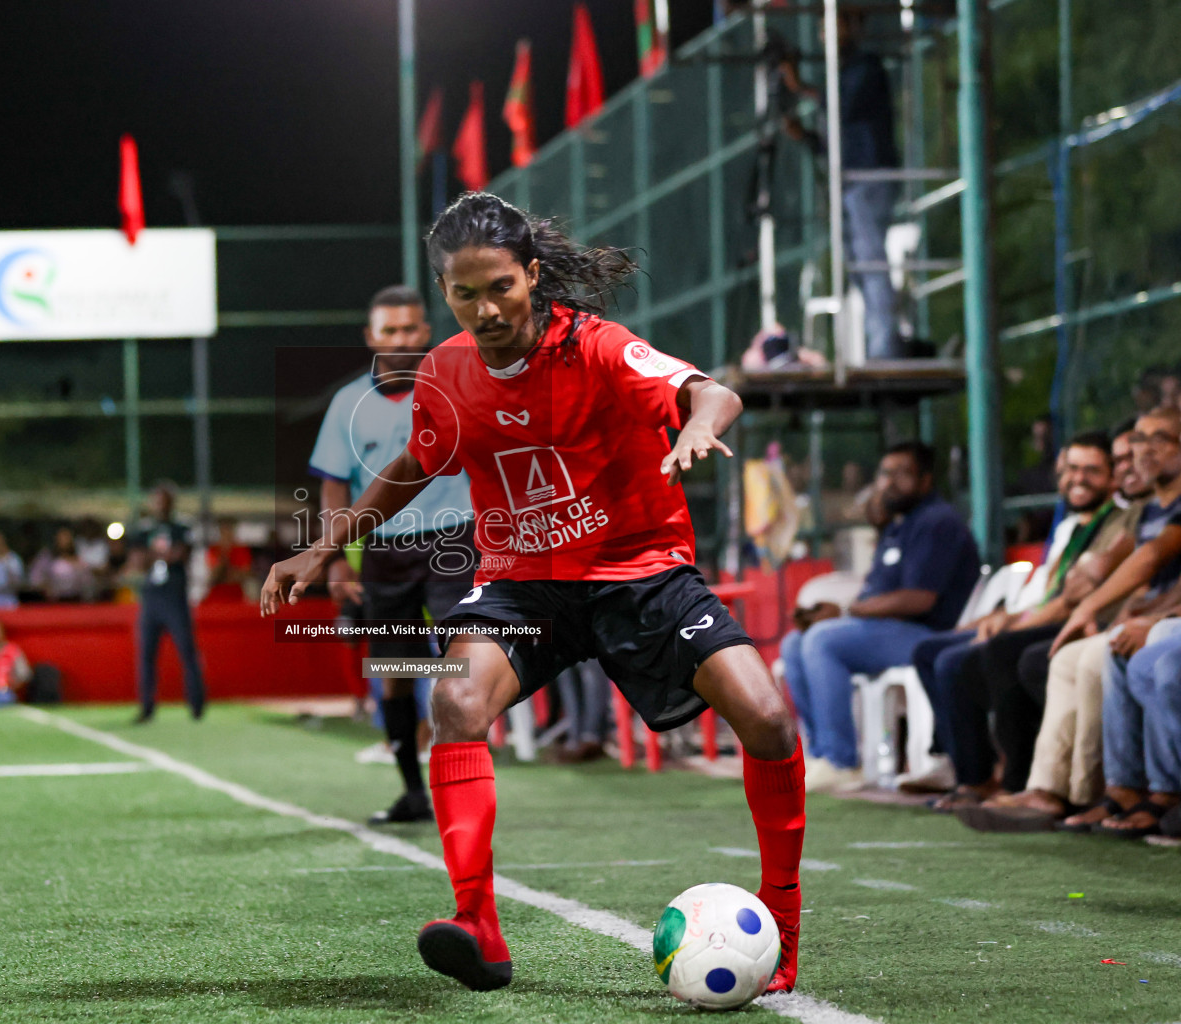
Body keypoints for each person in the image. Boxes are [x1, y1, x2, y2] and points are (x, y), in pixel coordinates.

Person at [262, 193, 806, 994]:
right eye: (464, 294)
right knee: (454, 699)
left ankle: (783, 930)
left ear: (534, 277)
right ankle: (477, 923)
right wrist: (323, 547)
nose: (485, 310)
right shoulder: (445, 371)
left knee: (765, 717)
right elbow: (417, 462)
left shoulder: (598, 349)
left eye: (501, 289)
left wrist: (696, 422)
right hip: (525, 586)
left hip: (640, 572)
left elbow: (711, 391)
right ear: (445, 293)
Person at [309, 284, 478, 825]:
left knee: (465, 664)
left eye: (410, 328)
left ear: (426, 331)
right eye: (390, 330)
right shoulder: (346, 405)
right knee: (396, 670)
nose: (401, 339)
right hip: (383, 550)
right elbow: (333, 485)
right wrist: (335, 559)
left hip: (458, 540)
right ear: (370, 337)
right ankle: (412, 791)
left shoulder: (458, 386)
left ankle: (464, 787)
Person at [911, 433, 1116, 811]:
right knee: (930, 651)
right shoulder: (1069, 526)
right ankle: (970, 773)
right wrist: (1002, 617)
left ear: (1113, 477)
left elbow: (1071, 602)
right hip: (1035, 615)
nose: (1079, 478)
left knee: (979, 657)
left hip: (1076, 622)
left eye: (1092, 470)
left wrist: (1014, 626)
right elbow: (1045, 593)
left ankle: (1009, 779)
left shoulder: (1113, 526)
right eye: (1072, 468)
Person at [780, 442, 980, 793]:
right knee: (794, 642)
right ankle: (820, 753)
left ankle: (843, 763)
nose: (889, 482)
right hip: (883, 630)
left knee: (822, 640)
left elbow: (919, 599)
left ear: (925, 479)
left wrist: (843, 611)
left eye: (902, 474)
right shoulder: (899, 522)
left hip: (929, 635)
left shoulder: (937, 522)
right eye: (885, 473)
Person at [1046, 407, 1181, 833]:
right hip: (1161, 617)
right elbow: (1120, 563)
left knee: (1141, 651)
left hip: (1167, 621)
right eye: (1139, 438)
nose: (1145, 449)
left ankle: (1161, 791)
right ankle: (1120, 788)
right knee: (1101, 649)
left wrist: (1100, 610)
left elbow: (1153, 558)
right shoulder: (1145, 511)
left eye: (1161, 438)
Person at [780, 10, 901, 359]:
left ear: (852, 26)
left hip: (868, 177)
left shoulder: (865, 68)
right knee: (860, 263)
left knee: (871, 261)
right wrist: (805, 136)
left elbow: (843, 109)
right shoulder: (844, 74)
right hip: (851, 180)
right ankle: (881, 343)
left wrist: (799, 86)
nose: (823, 33)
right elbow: (836, 137)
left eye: (830, 24)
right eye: (821, 27)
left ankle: (886, 348)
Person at [132, 483, 205, 722]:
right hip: (152, 596)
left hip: (175, 595)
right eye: (156, 500)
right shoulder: (145, 528)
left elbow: (180, 555)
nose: (159, 505)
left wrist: (156, 554)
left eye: (164, 500)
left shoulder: (182, 526)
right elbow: (138, 560)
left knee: (187, 650)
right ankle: (147, 707)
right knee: (146, 654)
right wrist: (163, 554)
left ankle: (196, 704)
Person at [29, 525, 94, 602]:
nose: (64, 542)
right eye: (61, 538)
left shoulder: (80, 557)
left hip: (76, 599)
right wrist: (45, 587)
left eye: (67, 538)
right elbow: (35, 579)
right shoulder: (47, 557)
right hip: (54, 600)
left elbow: (88, 581)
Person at [203, 516, 255, 603]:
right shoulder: (214, 549)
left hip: (236, 593)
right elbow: (214, 575)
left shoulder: (241, 549)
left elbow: (244, 574)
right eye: (224, 530)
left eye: (229, 529)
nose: (226, 533)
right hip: (216, 594)